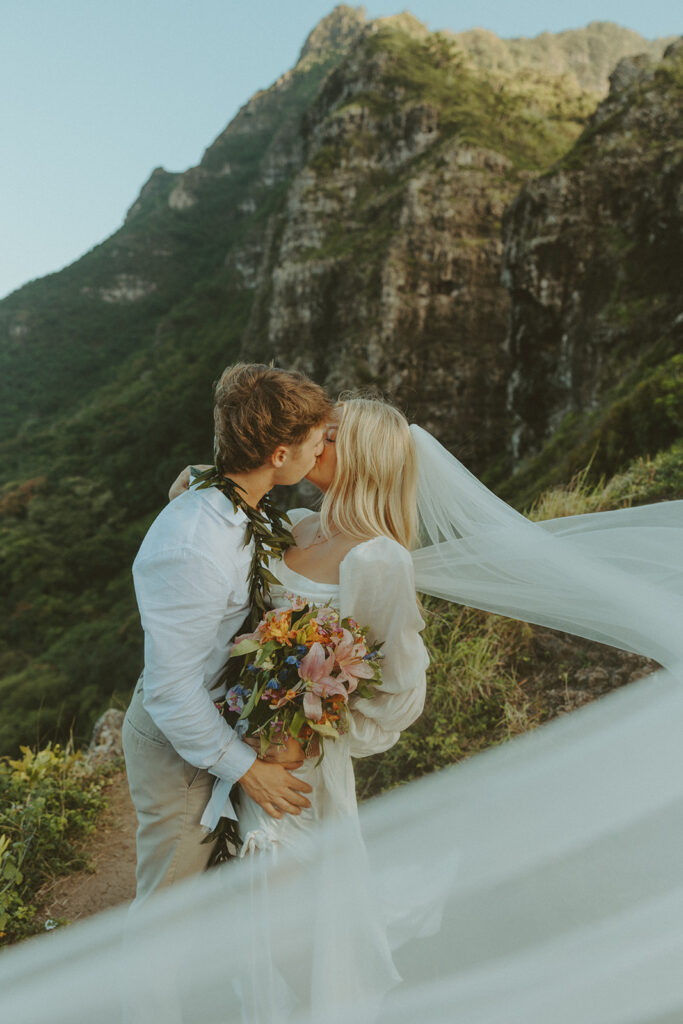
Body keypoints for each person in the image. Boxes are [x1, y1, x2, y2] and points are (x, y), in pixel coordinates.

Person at [122, 362, 332, 904]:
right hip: (180, 748)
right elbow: (171, 692)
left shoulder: (238, 503)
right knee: (170, 909)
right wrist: (249, 771)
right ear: (279, 456)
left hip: (214, 722)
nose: (321, 451)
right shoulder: (194, 547)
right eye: (314, 442)